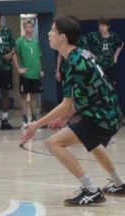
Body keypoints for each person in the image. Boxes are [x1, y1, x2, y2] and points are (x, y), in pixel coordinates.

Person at [21, 15, 124, 207]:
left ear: (63, 37)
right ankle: (119, 184)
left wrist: (37, 124)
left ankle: (91, 190)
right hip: (109, 112)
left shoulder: (75, 62)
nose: (49, 34)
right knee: (91, 142)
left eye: (52, 30)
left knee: (53, 143)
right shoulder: (80, 55)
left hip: (101, 116)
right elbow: (82, 98)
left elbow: (67, 104)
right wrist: (65, 117)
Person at [13, 18, 42, 128]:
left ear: (33, 28)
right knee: (24, 96)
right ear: (24, 28)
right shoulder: (19, 41)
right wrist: (19, 69)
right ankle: (25, 120)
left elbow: (38, 57)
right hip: (25, 74)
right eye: (27, 27)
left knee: (34, 97)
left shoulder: (35, 42)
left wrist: (40, 70)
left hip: (35, 74)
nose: (29, 29)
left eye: (31, 27)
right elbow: (14, 54)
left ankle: (34, 119)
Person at [81, 18, 123, 87]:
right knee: (98, 86)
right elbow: (83, 41)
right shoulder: (94, 35)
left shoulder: (113, 36)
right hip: (98, 66)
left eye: (103, 25)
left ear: (108, 26)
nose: (101, 27)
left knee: (111, 86)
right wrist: (89, 53)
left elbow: (121, 44)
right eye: (100, 26)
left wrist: (116, 55)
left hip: (110, 65)